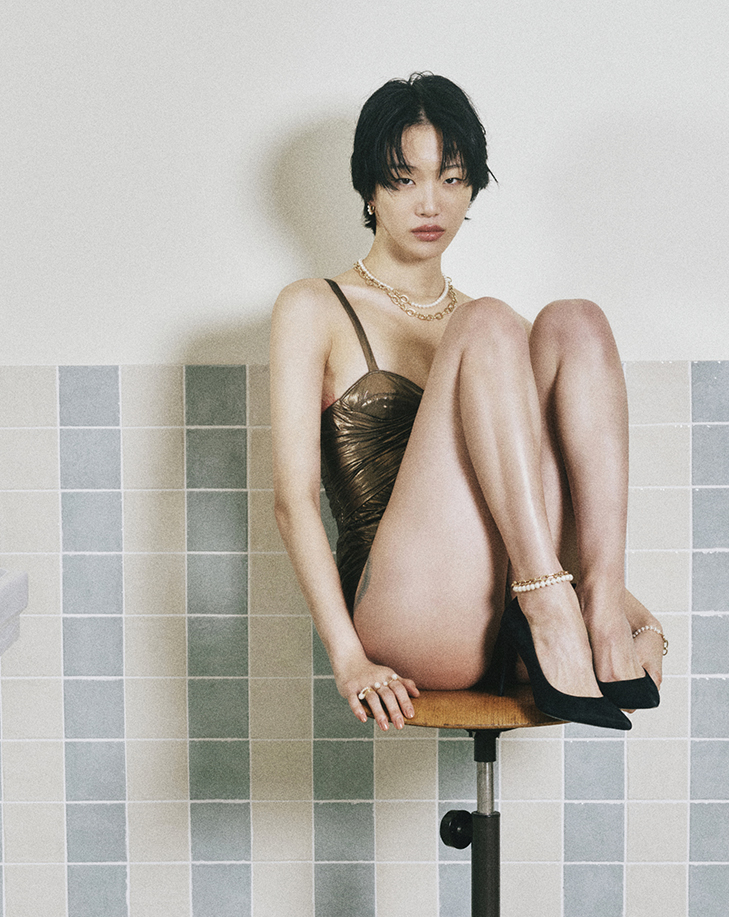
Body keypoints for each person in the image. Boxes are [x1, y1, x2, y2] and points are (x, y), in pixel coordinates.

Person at [270, 73, 667, 735]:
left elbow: (529, 504)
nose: (430, 203)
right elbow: (293, 502)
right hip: (412, 614)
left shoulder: (489, 334)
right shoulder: (316, 307)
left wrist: (643, 622)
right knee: (490, 324)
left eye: (451, 179)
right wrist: (348, 660)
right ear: (369, 188)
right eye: (404, 180)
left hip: (511, 609)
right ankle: (552, 612)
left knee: (575, 322)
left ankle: (594, 613)